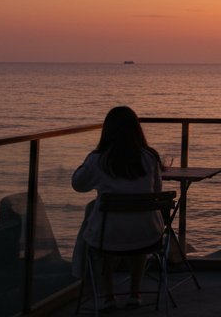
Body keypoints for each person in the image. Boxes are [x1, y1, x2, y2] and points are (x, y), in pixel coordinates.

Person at [72, 106, 165, 310]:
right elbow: (157, 191)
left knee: (104, 229)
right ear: (136, 129)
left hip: (108, 237)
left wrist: (87, 162)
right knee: (134, 228)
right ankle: (134, 292)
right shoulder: (150, 157)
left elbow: (78, 185)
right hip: (148, 236)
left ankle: (109, 295)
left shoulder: (99, 159)